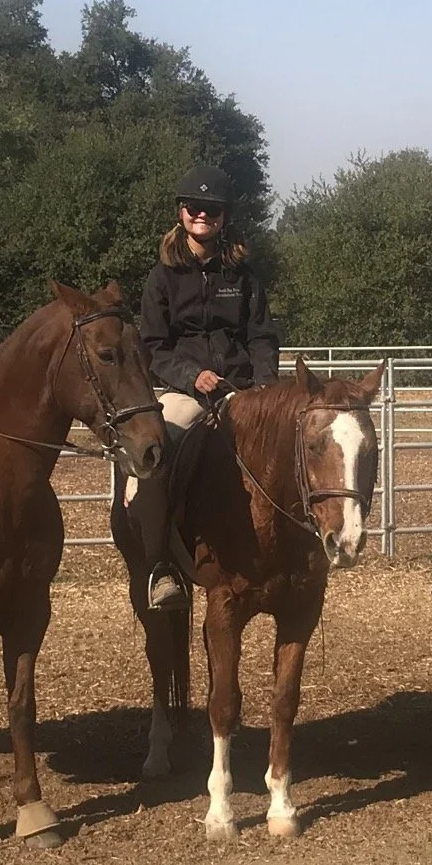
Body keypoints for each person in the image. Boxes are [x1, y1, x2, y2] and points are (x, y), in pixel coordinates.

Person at [136, 165, 279, 608]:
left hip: (241, 389)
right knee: (161, 449)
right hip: (184, 393)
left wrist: (265, 390)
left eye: (212, 210)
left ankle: (296, 554)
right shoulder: (161, 279)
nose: (203, 216)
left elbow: (260, 337)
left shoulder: (244, 275)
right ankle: (161, 566)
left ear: (224, 217)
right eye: (194, 208)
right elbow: (154, 348)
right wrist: (190, 377)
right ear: (181, 213)